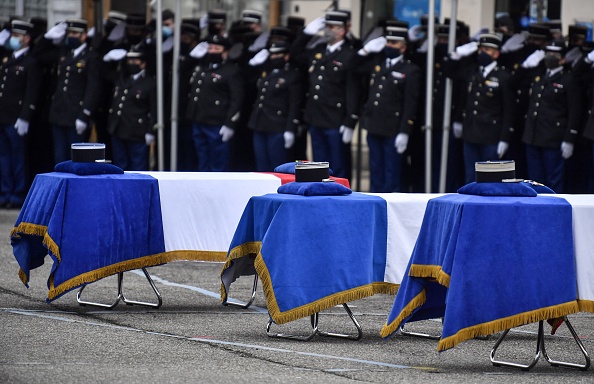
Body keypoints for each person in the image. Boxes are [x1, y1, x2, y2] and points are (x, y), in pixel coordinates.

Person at [290, 10, 360, 178]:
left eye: (332, 27)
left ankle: (340, 202)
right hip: (315, 117)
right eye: (326, 26)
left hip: (336, 119)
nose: (327, 30)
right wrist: (305, 34)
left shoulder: (349, 54)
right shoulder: (318, 50)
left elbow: (353, 90)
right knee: (318, 168)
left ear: (342, 31)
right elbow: (294, 55)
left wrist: (350, 121)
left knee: (337, 168)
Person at [443, 32, 515, 184]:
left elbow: (509, 110)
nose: (483, 53)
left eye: (487, 50)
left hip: (491, 136)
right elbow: (449, 72)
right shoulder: (472, 71)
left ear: (496, 54)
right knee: (471, 178)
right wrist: (455, 55)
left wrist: (504, 138)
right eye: (481, 50)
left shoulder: (503, 76)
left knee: (491, 181)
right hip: (470, 133)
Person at [356, 24, 420, 192]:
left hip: (393, 128)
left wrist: (405, 131)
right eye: (388, 42)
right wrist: (364, 52)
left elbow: (410, 103)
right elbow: (352, 68)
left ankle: (389, 209)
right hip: (374, 125)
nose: (390, 46)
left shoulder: (410, 70)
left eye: (394, 43)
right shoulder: (377, 64)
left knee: (392, 174)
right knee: (375, 171)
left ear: (403, 47)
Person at [35, 18, 101, 165]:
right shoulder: (64, 54)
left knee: (76, 160)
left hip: (76, 114)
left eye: (75, 33)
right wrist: (46, 38)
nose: (71, 36)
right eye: (69, 33)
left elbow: (93, 88)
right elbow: (38, 56)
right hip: (58, 113)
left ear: (83, 36)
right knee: (59, 157)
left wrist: (85, 115)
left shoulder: (91, 57)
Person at [522, 40, 582, 193]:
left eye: (554, 55)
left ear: (562, 59)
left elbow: (575, 111)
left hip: (554, 139)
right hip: (533, 136)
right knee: (534, 182)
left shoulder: (568, 80)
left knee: (553, 183)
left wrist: (569, 139)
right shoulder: (540, 76)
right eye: (548, 54)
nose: (550, 57)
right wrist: (524, 67)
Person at [185, 34, 244, 171]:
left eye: (216, 48)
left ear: (225, 52)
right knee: (201, 162)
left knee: (218, 164)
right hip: (198, 120)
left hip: (217, 123)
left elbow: (236, 99)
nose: (212, 51)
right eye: (210, 48)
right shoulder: (203, 67)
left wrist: (230, 123)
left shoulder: (231, 71)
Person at [0, 20, 41, 208]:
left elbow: (31, 92)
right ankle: (6, 191)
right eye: (13, 35)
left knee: (17, 158)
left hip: (16, 117)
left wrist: (25, 117)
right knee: (4, 157)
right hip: (2, 115)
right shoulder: (6, 59)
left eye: (18, 36)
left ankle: (18, 193)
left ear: (27, 39)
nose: (14, 39)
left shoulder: (30, 62)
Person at [246, 40, 304, 171]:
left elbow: (294, 103)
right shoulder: (266, 72)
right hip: (260, 123)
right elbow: (247, 81)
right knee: (261, 164)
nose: (274, 58)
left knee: (277, 166)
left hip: (278, 125)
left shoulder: (291, 75)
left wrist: (290, 128)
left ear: (286, 56)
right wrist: (252, 65)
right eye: (272, 55)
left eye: (278, 54)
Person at [104, 48, 156, 171]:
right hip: (118, 128)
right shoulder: (123, 78)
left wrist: (151, 130)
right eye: (129, 60)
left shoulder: (150, 83)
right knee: (120, 165)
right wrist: (106, 60)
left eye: (135, 60)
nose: (131, 63)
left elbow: (154, 109)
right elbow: (104, 74)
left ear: (143, 63)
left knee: (138, 167)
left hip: (137, 131)